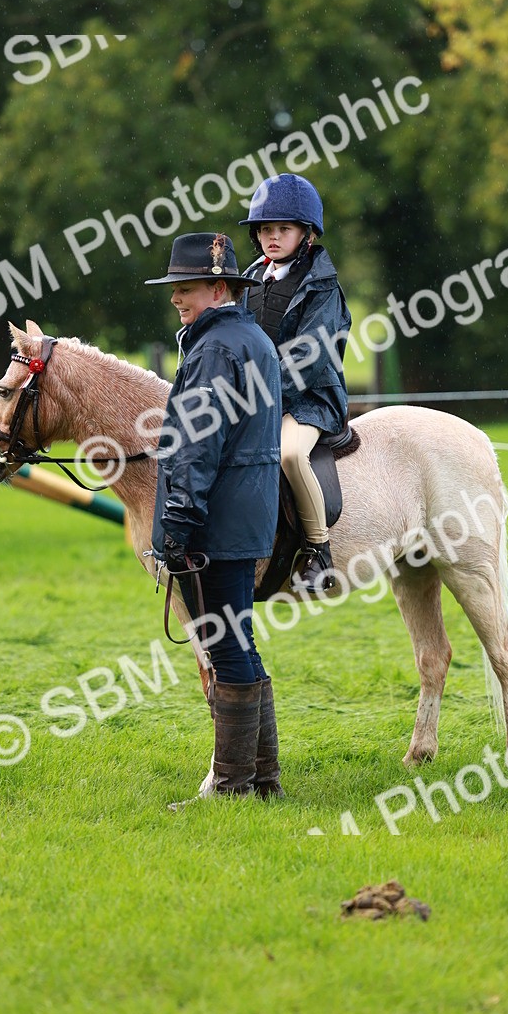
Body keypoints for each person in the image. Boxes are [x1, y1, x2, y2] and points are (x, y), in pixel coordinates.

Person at [146, 231, 285, 802]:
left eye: (188, 287)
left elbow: (197, 447)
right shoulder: (249, 337)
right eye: (175, 288)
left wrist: (178, 524)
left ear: (220, 288)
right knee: (240, 644)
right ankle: (262, 781)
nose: (176, 297)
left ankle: (232, 788)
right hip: (244, 516)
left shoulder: (214, 349)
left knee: (226, 648)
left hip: (217, 524)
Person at [240, 173, 351, 594]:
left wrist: (258, 395)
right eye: (265, 228)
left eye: (283, 228)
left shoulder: (323, 287)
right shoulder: (249, 280)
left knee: (288, 454)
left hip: (310, 399)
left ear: (307, 233)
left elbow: (310, 359)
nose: (272, 237)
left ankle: (318, 551)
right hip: (253, 396)